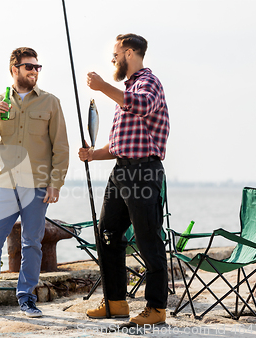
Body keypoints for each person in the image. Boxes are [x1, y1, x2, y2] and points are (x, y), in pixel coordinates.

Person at [0, 47, 69, 318]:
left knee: (32, 242)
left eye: (37, 67)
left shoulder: (50, 102)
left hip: (39, 184)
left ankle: (27, 298)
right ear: (14, 69)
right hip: (5, 184)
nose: (34, 71)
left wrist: (56, 183)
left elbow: (61, 147)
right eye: (29, 66)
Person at [79, 34, 170, 326]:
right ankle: (116, 302)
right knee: (107, 233)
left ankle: (156, 308)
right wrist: (93, 155)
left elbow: (141, 105)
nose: (113, 59)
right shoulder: (126, 92)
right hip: (122, 171)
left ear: (130, 53)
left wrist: (103, 87)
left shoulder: (149, 84)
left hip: (144, 172)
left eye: (116, 54)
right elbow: (119, 146)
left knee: (148, 240)